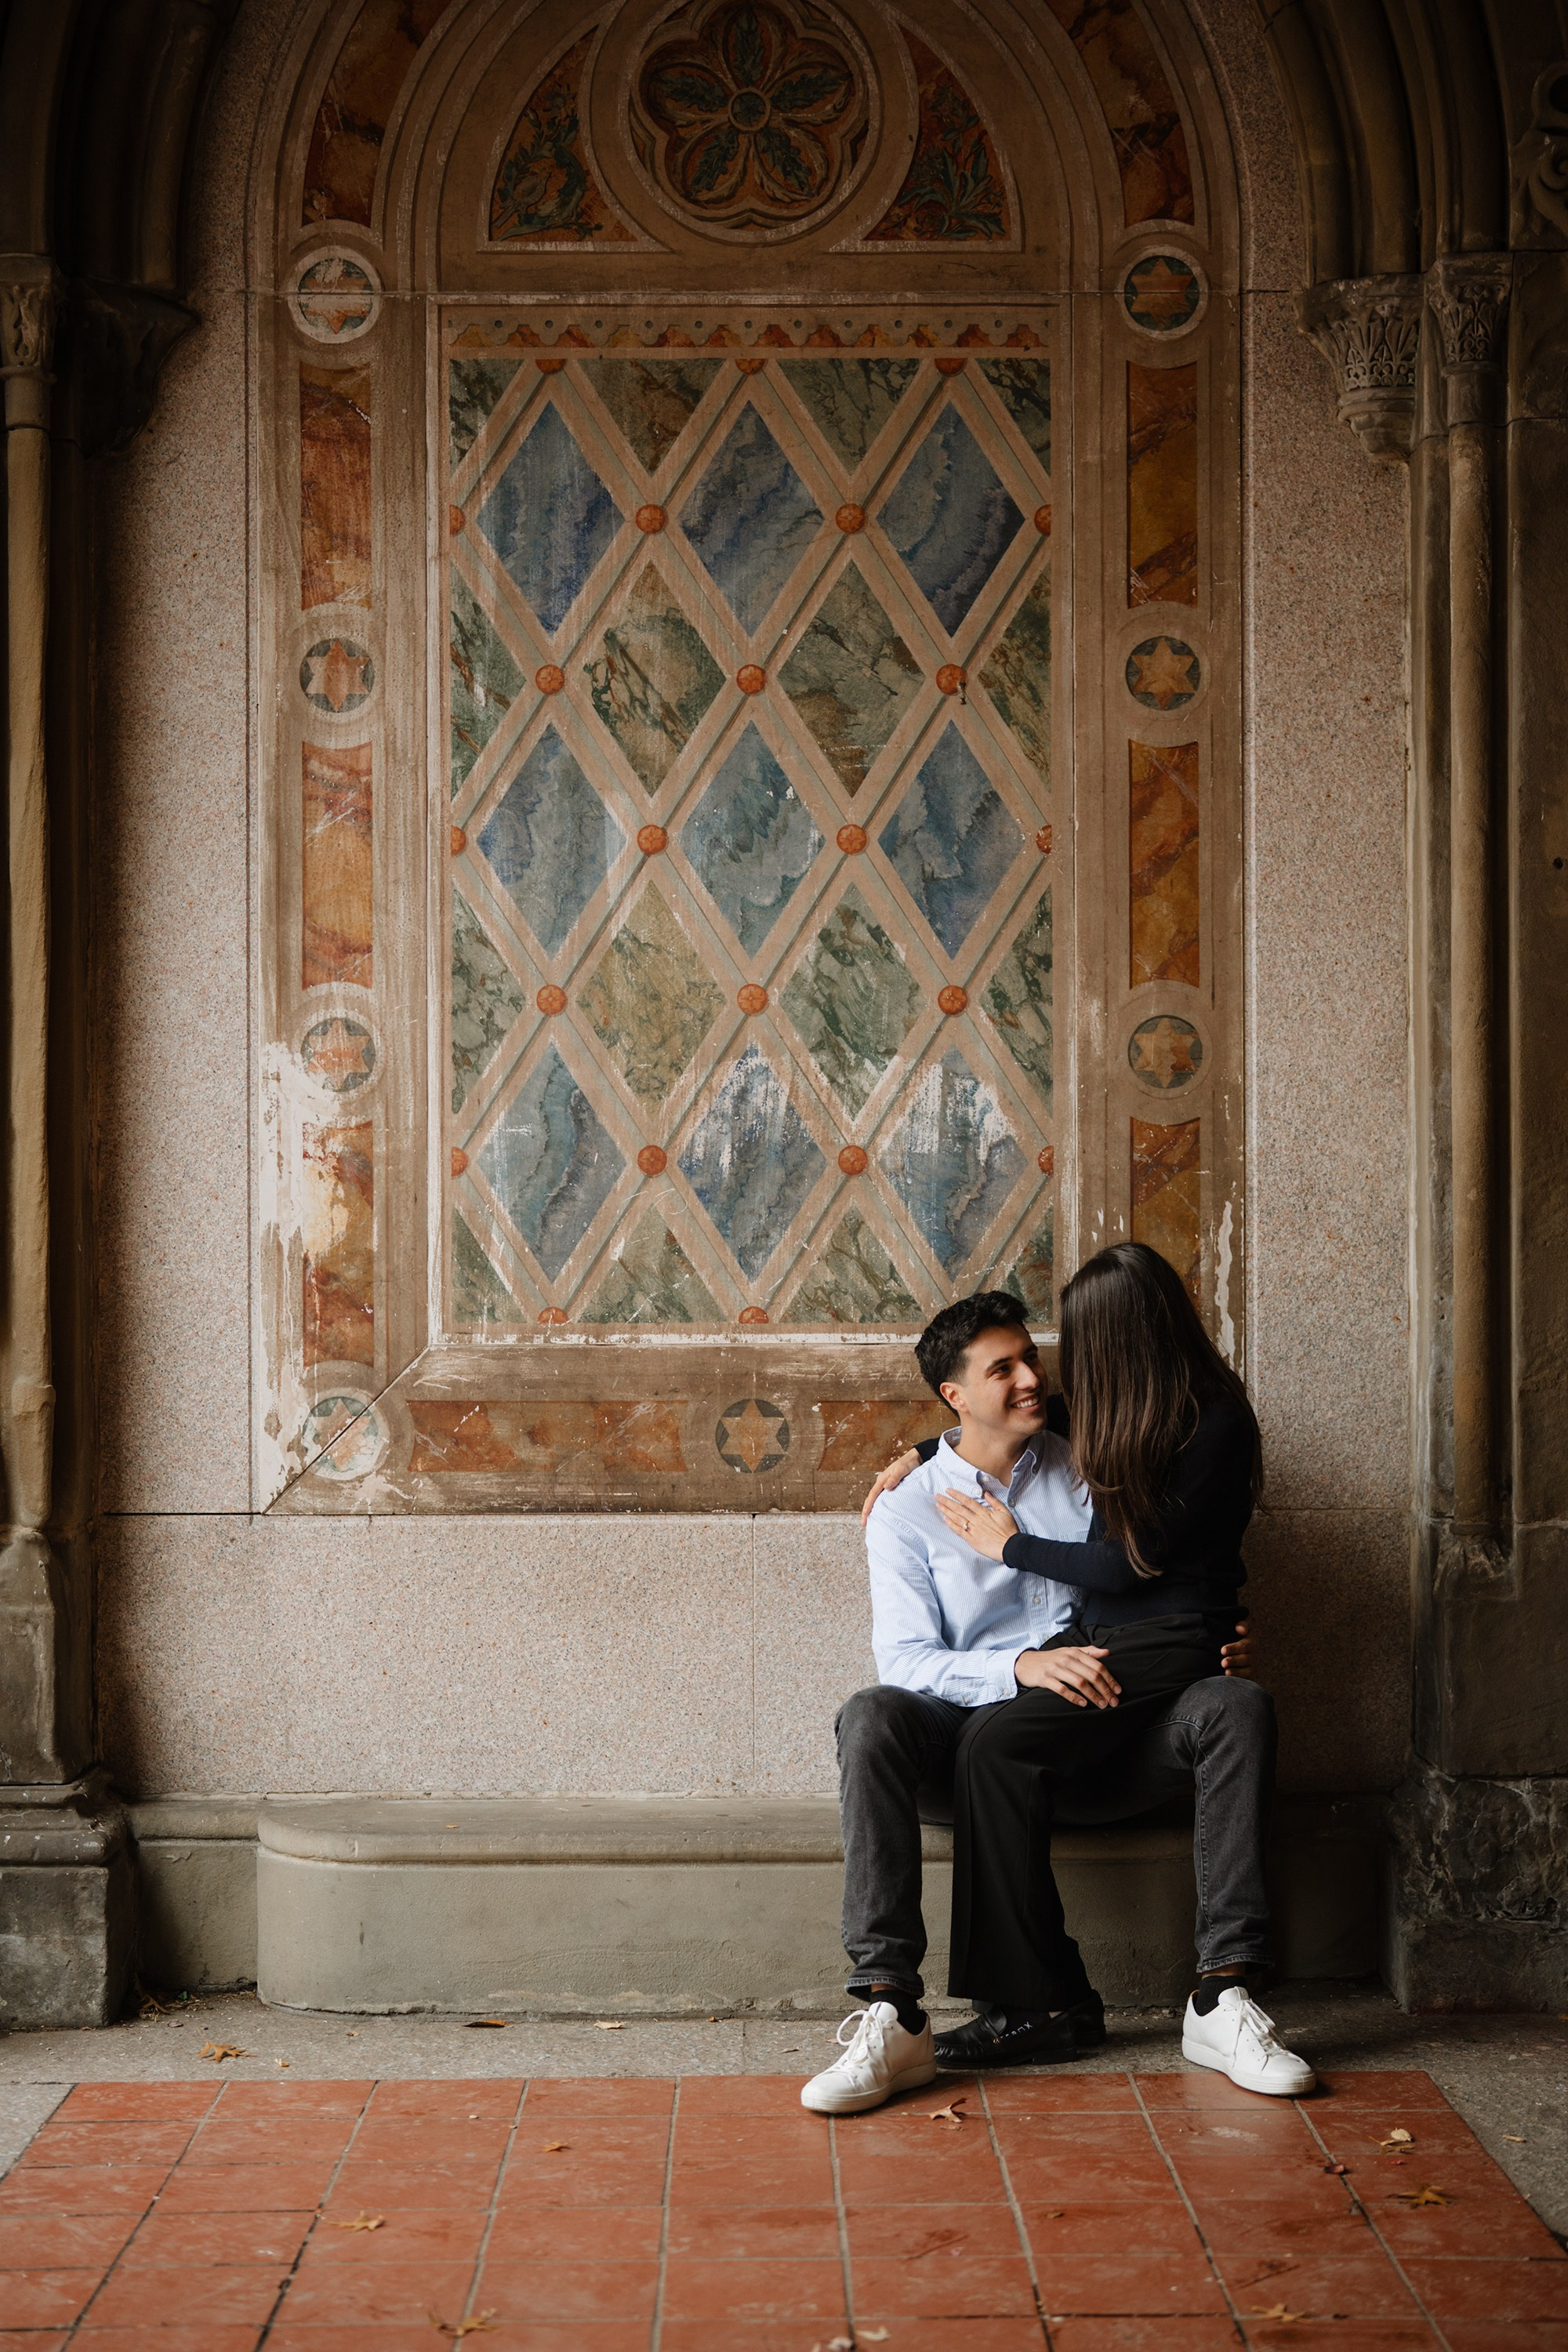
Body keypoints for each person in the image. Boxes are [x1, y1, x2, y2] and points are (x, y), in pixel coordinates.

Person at [800, 1250, 1312, 2117]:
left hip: (1115, 1707)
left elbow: (1140, 1565)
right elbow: (909, 1663)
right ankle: (893, 2008)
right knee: (875, 1715)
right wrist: (921, 1455)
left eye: (1037, 1356)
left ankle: (1219, 1996)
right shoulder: (913, 1505)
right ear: (955, 1395)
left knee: (1235, 1704)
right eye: (1006, 1368)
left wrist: (1213, 1625)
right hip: (986, 1721)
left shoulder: (1107, 1446)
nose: (1037, 1377)